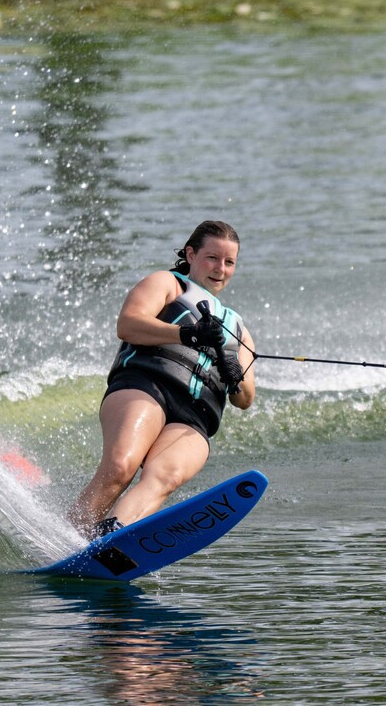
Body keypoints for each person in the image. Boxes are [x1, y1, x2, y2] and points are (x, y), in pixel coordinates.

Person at [69, 220, 256, 539]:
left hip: (195, 418)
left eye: (229, 262)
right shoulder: (168, 284)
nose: (220, 269)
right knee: (121, 467)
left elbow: (245, 399)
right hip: (147, 387)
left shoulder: (238, 328)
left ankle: (112, 535)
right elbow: (128, 325)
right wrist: (188, 334)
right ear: (191, 254)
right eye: (212, 258)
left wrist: (233, 375)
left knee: (164, 476)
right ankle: (67, 536)